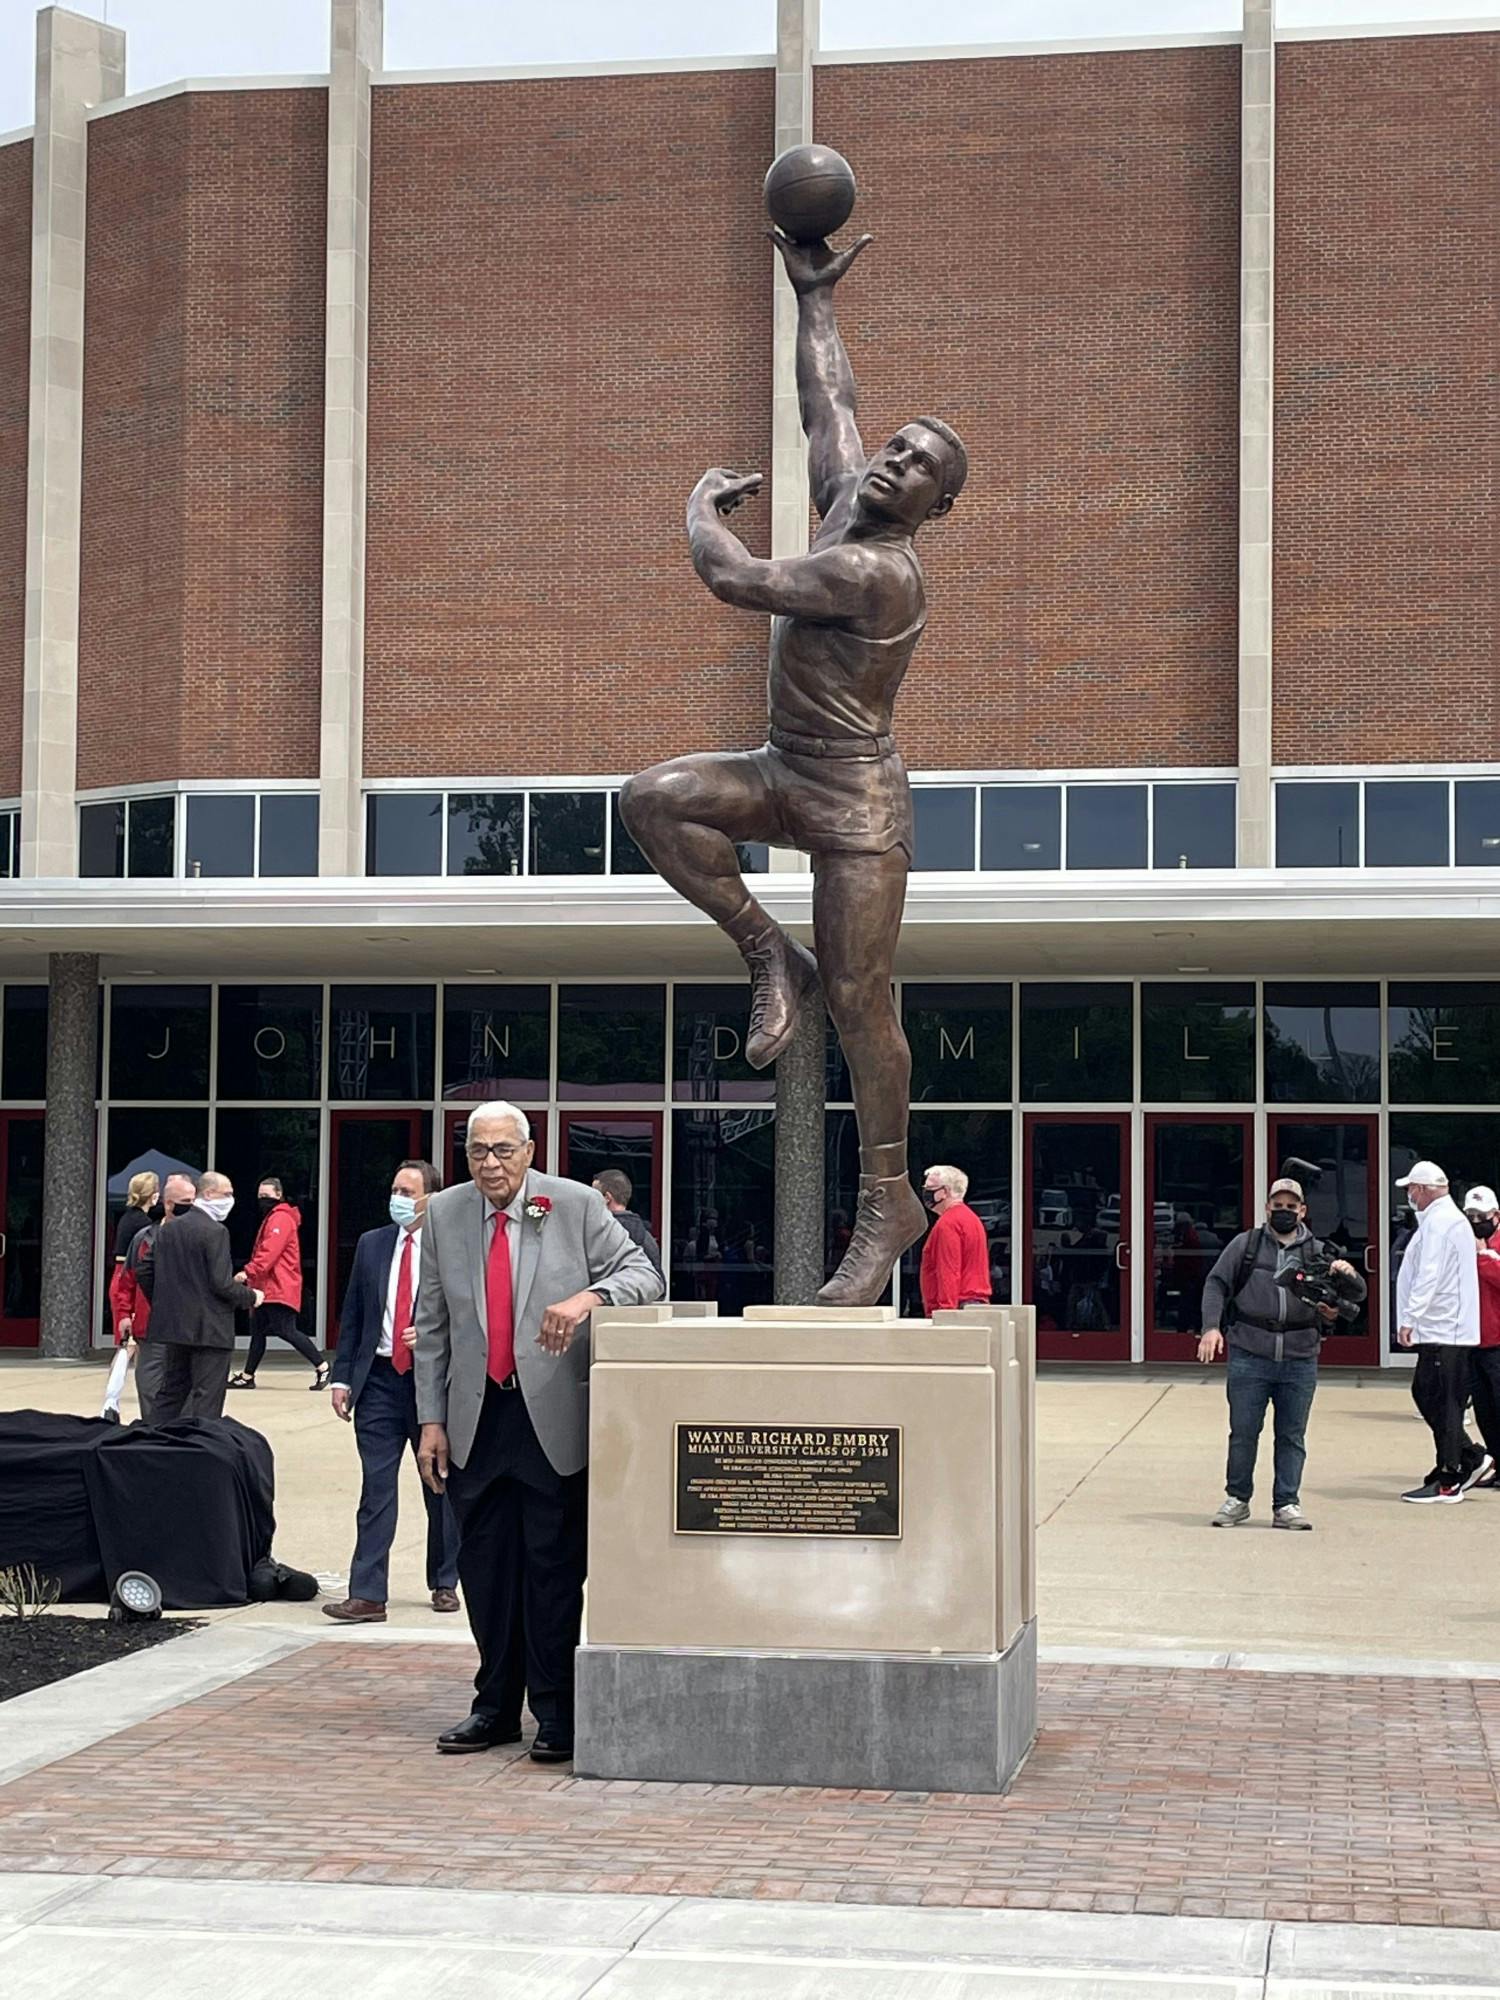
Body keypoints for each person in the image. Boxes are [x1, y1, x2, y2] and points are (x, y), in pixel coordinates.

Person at [620, 227, 967, 1308]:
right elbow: (830, 402)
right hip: (786, 767)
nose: (895, 463)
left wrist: (695, 507)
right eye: (899, 448)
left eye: (919, 470)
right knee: (653, 799)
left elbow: (731, 576)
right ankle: (770, 951)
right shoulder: (842, 497)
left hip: (858, 801)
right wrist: (813, 299)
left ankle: (888, 1202)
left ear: (931, 512)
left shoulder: (876, 572)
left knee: (866, 1002)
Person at [415, 1100, 662, 1761]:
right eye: (477, 1152)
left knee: (551, 1571)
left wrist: (589, 1299)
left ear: (528, 1151)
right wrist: (430, 1420)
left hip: (549, 1416)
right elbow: (431, 1325)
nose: (490, 1164)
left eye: (503, 1150)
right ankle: (493, 1707)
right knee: (484, 1570)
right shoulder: (444, 1214)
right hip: (475, 1419)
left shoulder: (576, 1205)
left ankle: (556, 1713)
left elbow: (645, 1274)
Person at [322, 1159, 461, 1623]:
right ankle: (367, 1593)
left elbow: (471, 1314)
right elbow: (355, 1312)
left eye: (408, 1190)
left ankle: (445, 1581)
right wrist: (342, 1376)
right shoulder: (372, 1244)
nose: (398, 1197)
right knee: (376, 1488)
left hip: (430, 1383)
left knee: (438, 1486)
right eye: (395, 1188)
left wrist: (435, 1335)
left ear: (430, 1199)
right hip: (378, 1380)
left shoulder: (451, 1247)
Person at [1197, 1175, 1366, 1530]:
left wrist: (1336, 1301)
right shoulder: (1246, 1245)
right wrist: (1211, 1326)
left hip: (1299, 1356)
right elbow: (1216, 1283)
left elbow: (1351, 1298)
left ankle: (1287, 1504)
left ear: (1303, 1211)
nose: (1285, 1212)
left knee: (1292, 1435)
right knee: (1243, 1432)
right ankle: (1237, 1499)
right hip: (1249, 1353)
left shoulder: (1318, 1253)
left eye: (1292, 1206)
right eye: (1279, 1206)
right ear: (1267, 1208)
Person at [138, 1170, 263, 1421]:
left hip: (175, 1327)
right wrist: (251, 1296)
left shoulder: (167, 1229)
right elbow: (220, 1283)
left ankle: (152, 1442)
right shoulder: (215, 1232)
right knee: (207, 1398)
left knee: (170, 1394)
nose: (231, 1200)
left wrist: (165, 1301)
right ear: (208, 1193)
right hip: (210, 1331)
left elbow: (144, 1269)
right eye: (226, 1194)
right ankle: (202, 1449)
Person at [1396, 1160, 1481, 1503]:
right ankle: (1468, 1457)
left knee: (1444, 1401)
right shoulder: (1442, 1220)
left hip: (1445, 1328)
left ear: (1425, 1189)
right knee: (1428, 1394)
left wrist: (1410, 1318)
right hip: (1443, 1326)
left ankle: (1449, 1476)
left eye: (1412, 1189)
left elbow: (1429, 1273)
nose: (1409, 1195)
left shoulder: (1441, 1223)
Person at [227, 1178, 328, 1392]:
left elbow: (269, 1251)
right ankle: (247, 1375)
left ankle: (322, 1366)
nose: (263, 1200)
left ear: (279, 1195)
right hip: (268, 1285)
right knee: (258, 1331)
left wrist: (248, 1272)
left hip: (278, 1285)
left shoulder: (280, 1219)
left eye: (267, 1196)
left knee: (285, 1329)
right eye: (260, 1196)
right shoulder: (275, 1217)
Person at [101, 1171, 160, 1422]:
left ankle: (111, 1400)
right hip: (130, 1280)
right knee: (131, 1345)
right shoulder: (142, 1225)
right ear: (153, 1195)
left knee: (127, 1346)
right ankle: (110, 1402)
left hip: (121, 1277)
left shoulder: (128, 1217)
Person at [1462, 1185, 1500, 1487]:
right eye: (1470, 1216)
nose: (1476, 1221)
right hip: (1474, 1341)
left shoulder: (1489, 1247)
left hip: (1498, 1343)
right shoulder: (1465, 1243)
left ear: (1495, 1215)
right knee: (1485, 1410)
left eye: (1481, 1215)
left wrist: (1483, 1256)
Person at [918, 1164, 992, 1314]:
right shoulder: (971, 1219)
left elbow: (948, 1271)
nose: (925, 1191)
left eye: (930, 1187)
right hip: (973, 1304)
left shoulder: (948, 1224)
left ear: (944, 1192)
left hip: (959, 1306)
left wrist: (946, 1313)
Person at [591, 1170, 664, 1282]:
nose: (590, 1200)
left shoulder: (597, 1234)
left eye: (594, 1195)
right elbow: (659, 1285)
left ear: (607, 1197)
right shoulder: (647, 1238)